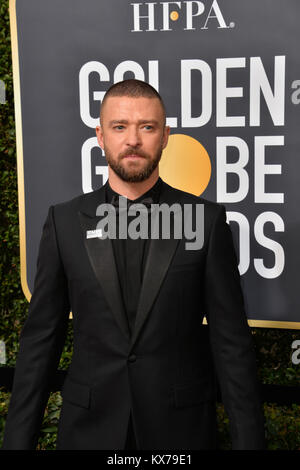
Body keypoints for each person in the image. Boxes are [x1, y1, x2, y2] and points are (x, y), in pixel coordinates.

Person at [2, 79, 265, 450]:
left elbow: (231, 344)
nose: (133, 140)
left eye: (147, 126)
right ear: (100, 135)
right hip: (88, 430)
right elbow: (41, 342)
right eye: (119, 126)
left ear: (165, 135)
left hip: (179, 433)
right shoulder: (65, 222)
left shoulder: (204, 221)